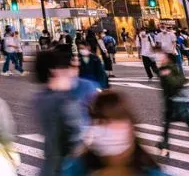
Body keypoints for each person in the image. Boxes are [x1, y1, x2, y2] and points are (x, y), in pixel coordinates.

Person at [62, 90, 165, 176]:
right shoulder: (73, 169)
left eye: (116, 121)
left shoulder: (151, 172)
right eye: (100, 123)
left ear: (130, 127)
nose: (108, 130)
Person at [35, 46, 87, 176]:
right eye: (67, 67)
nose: (71, 72)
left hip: (50, 166)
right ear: (54, 71)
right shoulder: (65, 101)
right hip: (67, 168)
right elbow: (77, 139)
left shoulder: (41, 98)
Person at [157, 51, 189, 158]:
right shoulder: (173, 67)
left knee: (168, 125)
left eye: (163, 57)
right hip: (179, 101)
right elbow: (181, 80)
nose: (160, 58)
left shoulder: (167, 69)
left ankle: (164, 147)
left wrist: (166, 75)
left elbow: (175, 83)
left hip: (174, 103)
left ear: (168, 59)